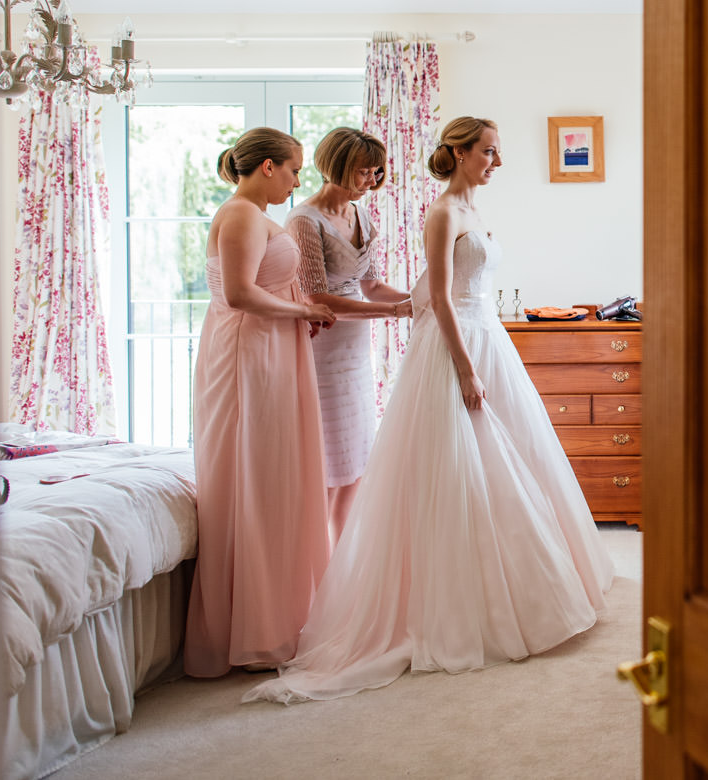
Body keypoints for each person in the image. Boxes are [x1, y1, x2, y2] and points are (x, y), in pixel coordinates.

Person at [244, 116, 614, 704]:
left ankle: (509, 580)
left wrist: (407, 310)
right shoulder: (437, 214)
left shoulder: (465, 211)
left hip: (481, 334)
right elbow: (432, 295)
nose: (497, 161)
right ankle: (345, 584)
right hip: (421, 343)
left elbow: (391, 287)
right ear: (462, 153)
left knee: (494, 460)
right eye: (489, 152)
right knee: (430, 466)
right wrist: (454, 357)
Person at [186, 127, 338, 677]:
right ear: (268, 166)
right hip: (250, 354)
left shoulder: (254, 213)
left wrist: (301, 311)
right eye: (295, 169)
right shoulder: (242, 215)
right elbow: (239, 293)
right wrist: (304, 312)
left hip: (273, 349)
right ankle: (254, 626)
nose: (299, 180)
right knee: (257, 474)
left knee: (277, 474)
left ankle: (283, 614)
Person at [286, 127, 413, 543]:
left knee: (356, 462)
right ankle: (314, 562)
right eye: (364, 171)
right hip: (325, 349)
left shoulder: (361, 214)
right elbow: (319, 297)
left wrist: (421, 299)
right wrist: (394, 312)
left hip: (358, 352)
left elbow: (372, 286)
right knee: (328, 464)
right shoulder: (304, 220)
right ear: (337, 166)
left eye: (376, 172)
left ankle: (344, 556)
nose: (371, 180)